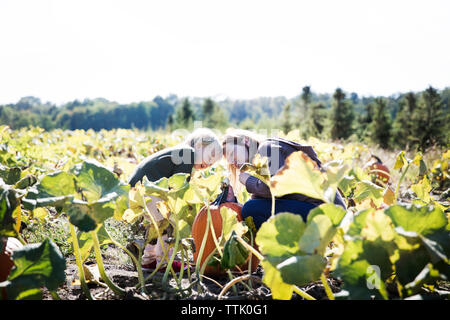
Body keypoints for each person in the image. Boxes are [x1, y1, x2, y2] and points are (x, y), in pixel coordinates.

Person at [128, 128, 222, 272]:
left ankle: (149, 261)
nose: (210, 163)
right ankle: (164, 262)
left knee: (157, 225)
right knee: (169, 221)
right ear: (198, 145)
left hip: (138, 190)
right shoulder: (188, 153)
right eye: (211, 155)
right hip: (147, 189)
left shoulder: (183, 153)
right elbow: (179, 189)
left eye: (213, 163)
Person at [222, 129, 346, 229]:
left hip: (326, 211)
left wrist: (249, 181)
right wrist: (234, 202)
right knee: (252, 208)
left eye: (233, 153)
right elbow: (266, 200)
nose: (233, 161)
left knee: (251, 209)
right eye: (230, 161)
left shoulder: (267, 148)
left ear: (246, 141)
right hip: (316, 209)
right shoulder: (258, 162)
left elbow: (276, 188)